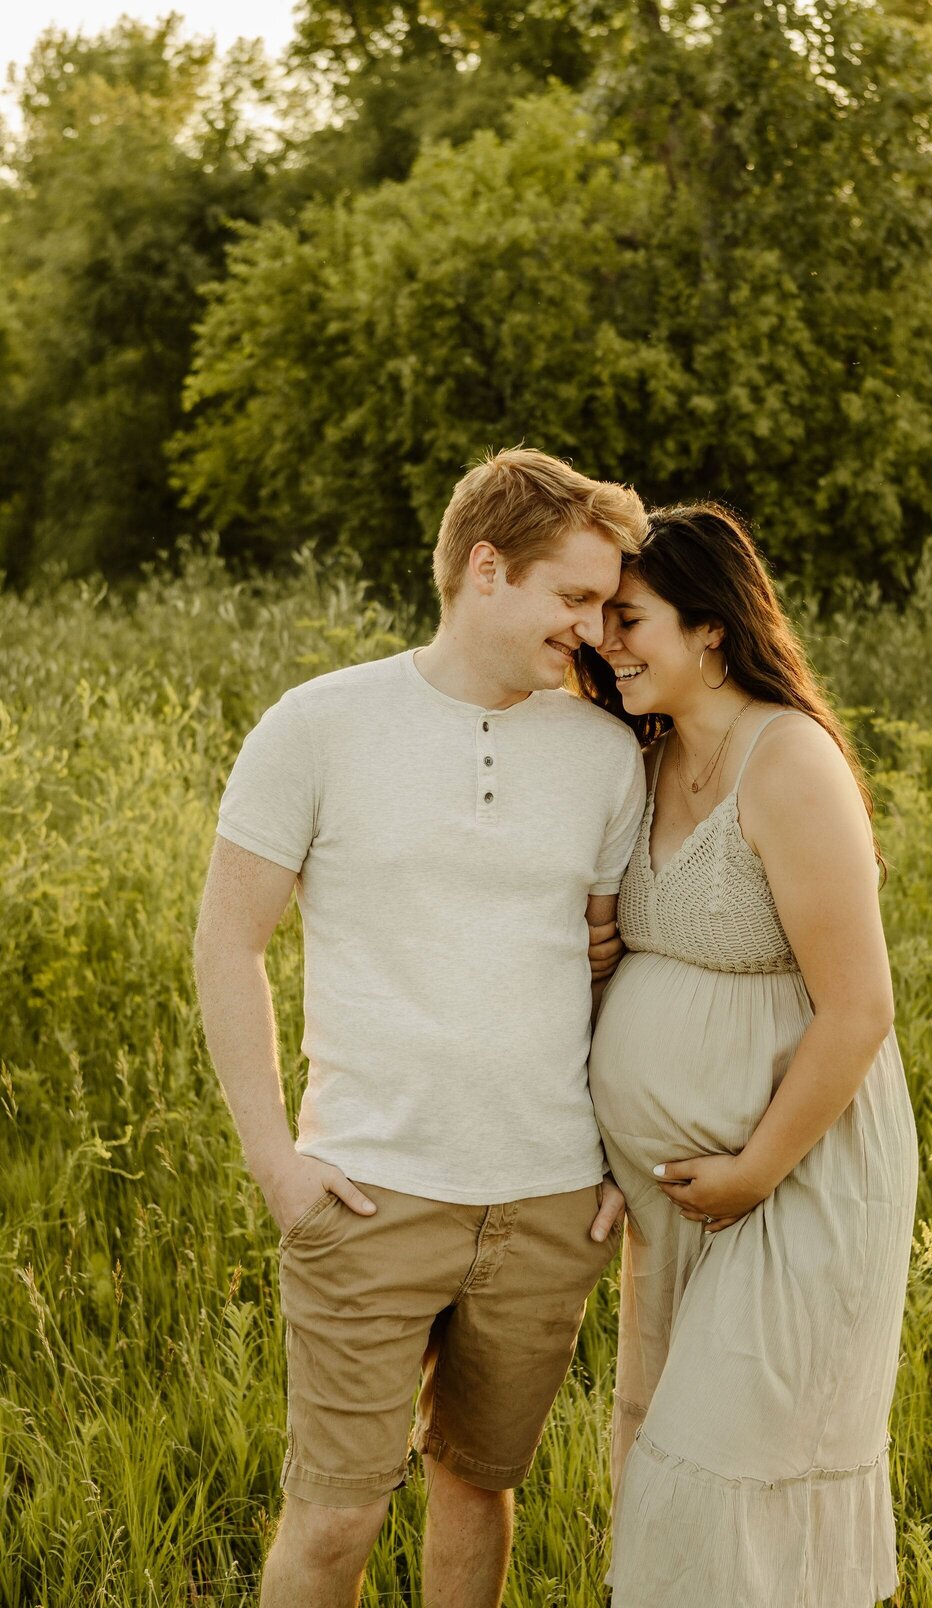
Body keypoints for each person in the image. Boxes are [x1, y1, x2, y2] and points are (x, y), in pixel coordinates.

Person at [192, 449, 648, 1608]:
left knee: (477, 1490)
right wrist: (275, 1163)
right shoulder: (319, 725)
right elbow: (227, 942)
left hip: (547, 1199)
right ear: (485, 570)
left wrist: (614, 1154)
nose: (597, 627)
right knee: (337, 1514)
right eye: (576, 596)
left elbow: (613, 965)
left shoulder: (604, 753)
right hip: (369, 1193)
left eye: (604, 603)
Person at [577, 503, 919, 1608]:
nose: (606, 642)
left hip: (794, 1184)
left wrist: (755, 1170)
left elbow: (859, 1009)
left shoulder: (790, 763)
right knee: (662, 1457)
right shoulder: (643, 750)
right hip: (680, 1199)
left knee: (726, 1474)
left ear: (713, 629)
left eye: (631, 621)